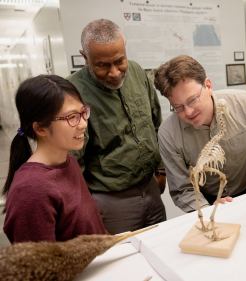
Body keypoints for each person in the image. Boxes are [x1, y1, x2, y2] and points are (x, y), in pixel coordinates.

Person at [153, 55, 246, 213]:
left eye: (192, 100)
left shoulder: (245, 104)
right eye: (178, 107)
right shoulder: (168, 134)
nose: (188, 112)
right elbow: (182, 189)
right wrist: (209, 211)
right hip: (207, 203)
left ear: (208, 85)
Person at [68, 19, 166, 234]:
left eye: (119, 61)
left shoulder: (138, 72)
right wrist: (85, 204)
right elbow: (73, 160)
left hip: (151, 187)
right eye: (102, 65)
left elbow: (156, 123)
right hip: (111, 200)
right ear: (85, 57)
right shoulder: (73, 92)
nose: (114, 72)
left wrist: (160, 170)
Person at [2, 75, 106, 243]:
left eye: (83, 112)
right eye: (72, 117)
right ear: (41, 128)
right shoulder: (31, 190)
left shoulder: (68, 161)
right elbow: (37, 265)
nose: (83, 124)